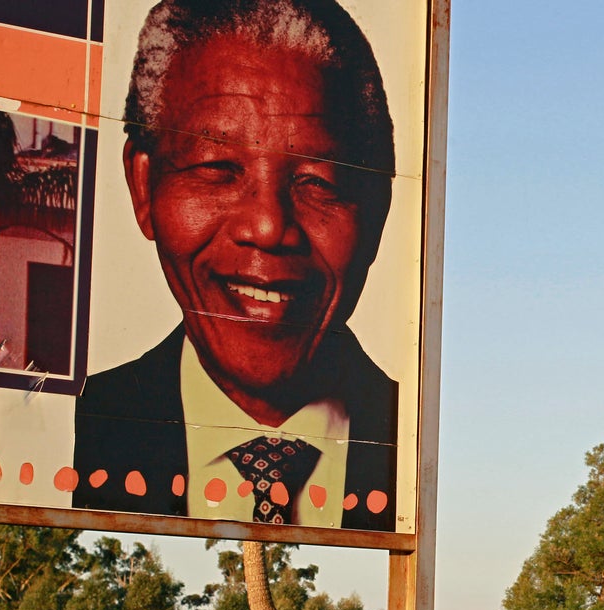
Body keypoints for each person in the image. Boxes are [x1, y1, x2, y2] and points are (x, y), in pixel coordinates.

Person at [73, 0, 398, 530]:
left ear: (378, 206)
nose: (268, 227)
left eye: (318, 181)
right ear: (143, 184)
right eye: (218, 168)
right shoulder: (68, 437)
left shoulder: (423, 458)